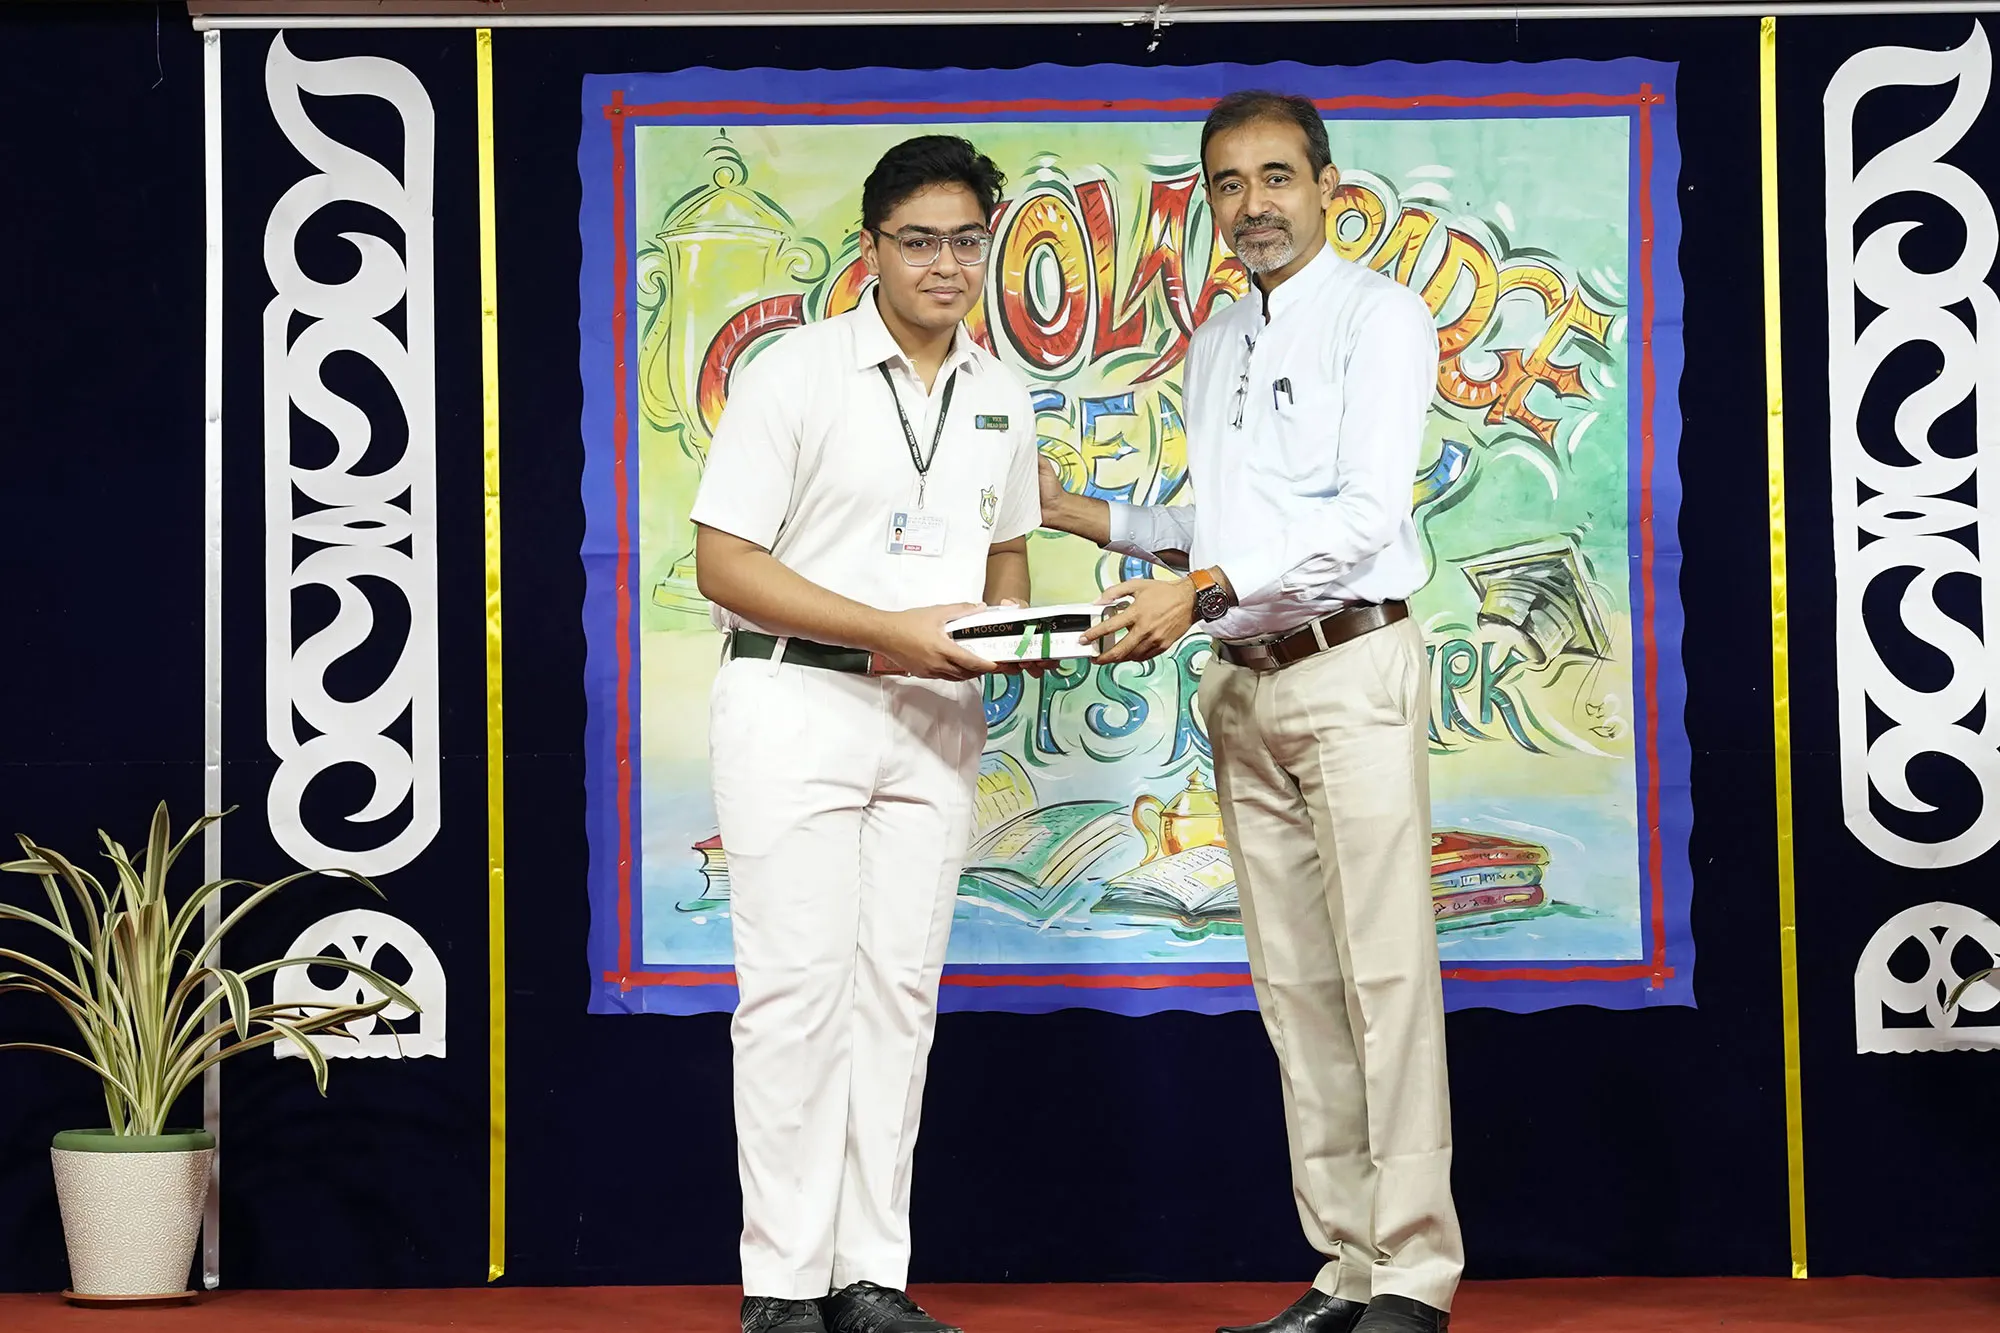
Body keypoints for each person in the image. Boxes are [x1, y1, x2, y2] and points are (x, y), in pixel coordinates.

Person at [1036, 91, 1461, 1333]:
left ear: (1327, 185)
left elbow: (1363, 520)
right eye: (1228, 183)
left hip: (1347, 664)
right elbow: (1212, 527)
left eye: (1276, 177)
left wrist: (1205, 586)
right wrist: (1080, 514)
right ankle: (1343, 1266)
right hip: (1241, 677)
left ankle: (1413, 1275)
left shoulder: (1380, 317)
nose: (1252, 204)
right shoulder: (1218, 334)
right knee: (1295, 987)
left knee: (1384, 974)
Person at [691, 134, 1041, 1333]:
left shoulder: (1000, 392)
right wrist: (886, 627)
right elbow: (724, 564)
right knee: (795, 993)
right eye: (918, 241)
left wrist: (1012, 632)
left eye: (966, 241)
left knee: (898, 993)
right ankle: (782, 1286)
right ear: (871, 248)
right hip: (797, 699)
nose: (945, 265)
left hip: (934, 715)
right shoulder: (794, 372)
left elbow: (1003, 549)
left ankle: (866, 1275)